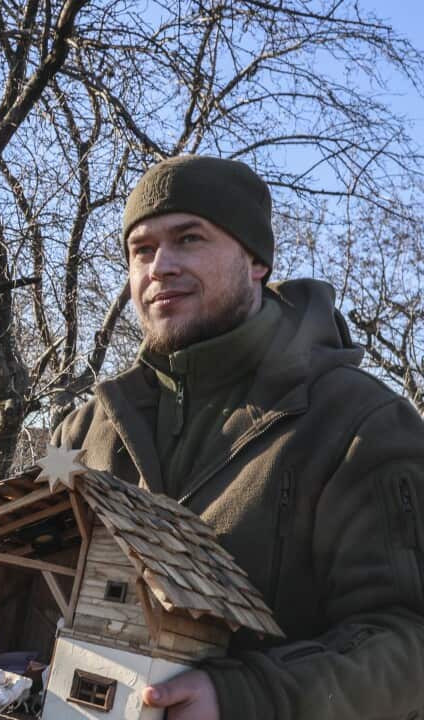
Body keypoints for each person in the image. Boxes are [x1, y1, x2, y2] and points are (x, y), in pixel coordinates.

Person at [52, 154, 424, 719]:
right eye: (142, 250)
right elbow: (29, 585)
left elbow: (406, 644)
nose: (160, 267)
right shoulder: (81, 433)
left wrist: (240, 698)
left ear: (254, 260)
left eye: (189, 238)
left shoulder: (358, 424)